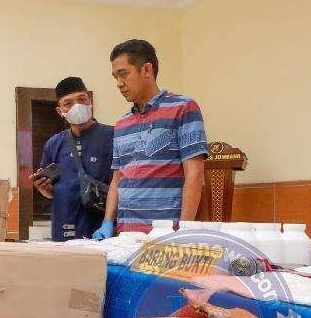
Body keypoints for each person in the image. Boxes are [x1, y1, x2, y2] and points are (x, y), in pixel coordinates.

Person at [93, 39, 207, 238]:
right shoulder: (122, 124)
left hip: (165, 236)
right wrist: (107, 222)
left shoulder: (183, 108)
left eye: (123, 74)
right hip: (125, 236)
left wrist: (183, 231)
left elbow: (195, 175)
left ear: (147, 70)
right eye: (115, 77)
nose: (119, 83)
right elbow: (117, 179)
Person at [30, 77, 113, 241]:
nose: (77, 106)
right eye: (68, 103)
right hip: (64, 229)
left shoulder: (112, 136)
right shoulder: (54, 144)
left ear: (90, 101)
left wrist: (110, 222)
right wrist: (45, 190)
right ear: (60, 111)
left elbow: (121, 184)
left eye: (82, 99)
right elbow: (54, 190)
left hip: (102, 232)